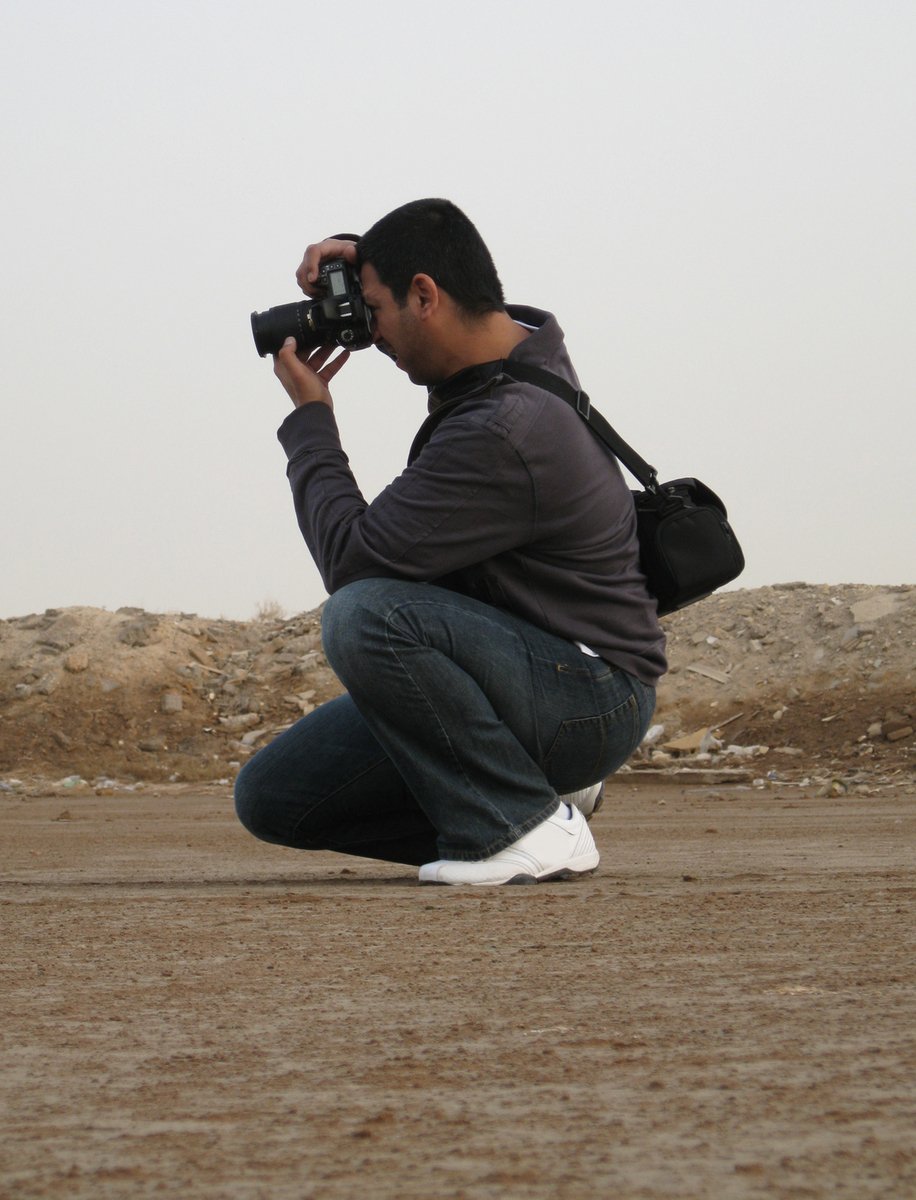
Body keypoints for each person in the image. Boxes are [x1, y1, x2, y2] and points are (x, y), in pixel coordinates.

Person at [234, 198, 666, 885]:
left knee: (367, 613)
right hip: (529, 675)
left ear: (426, 294)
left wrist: (313, 421)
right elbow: (453, 284)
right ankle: (532, 794)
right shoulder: (519, 353)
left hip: (590, 694)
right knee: (274, 798)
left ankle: (521, 824)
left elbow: (351, 563)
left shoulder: (504, 428)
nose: (370, 334)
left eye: (371, 310)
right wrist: (367, 256)